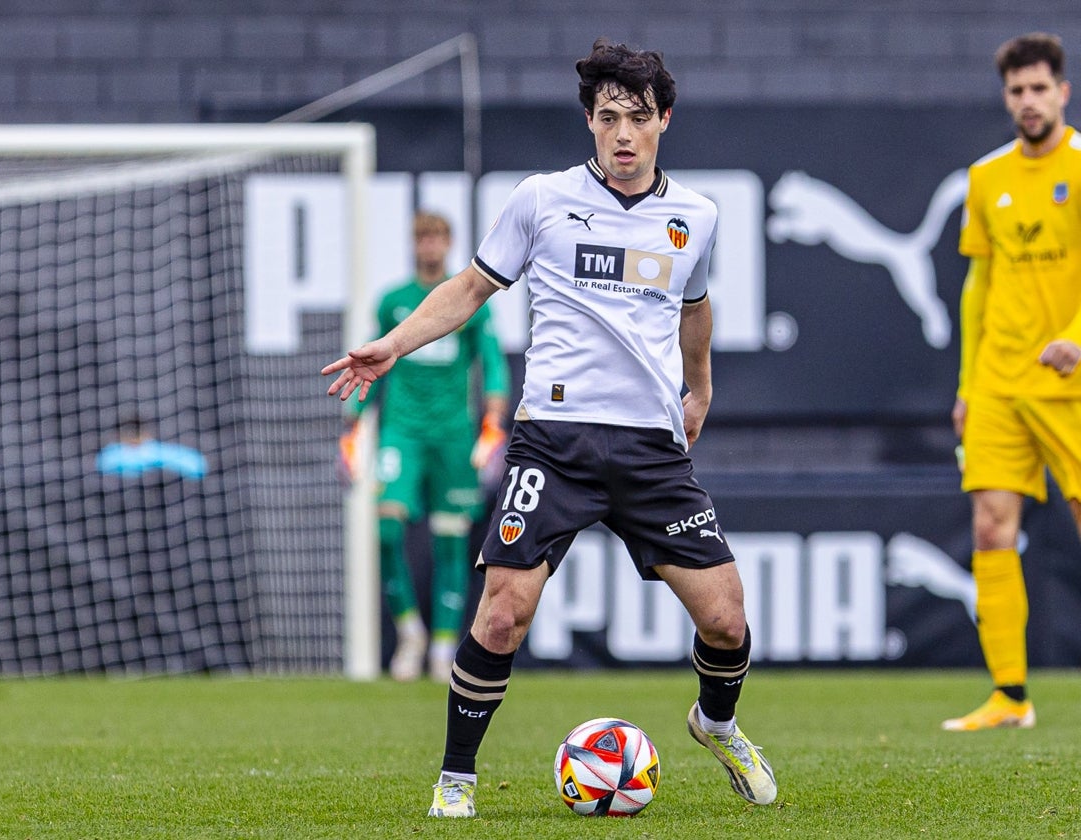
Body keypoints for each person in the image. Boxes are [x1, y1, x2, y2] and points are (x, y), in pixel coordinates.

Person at [324, 38, 777, 816]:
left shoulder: (695, 217)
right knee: (502, 614)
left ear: (664, 120)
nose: (624, 134)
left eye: (638, 117)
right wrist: (391, 348)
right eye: (609, 118)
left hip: (649, 446)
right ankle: (457, 780)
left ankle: (717, 723)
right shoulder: (541, 199)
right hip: (555, 439)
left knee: (727, 618)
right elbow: (469, 289)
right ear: (591, 123)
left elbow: (696, 310)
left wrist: (698, 392)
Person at [946, 32, 1081, 732]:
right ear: (1007, 98)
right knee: (991, 527)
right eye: (1017, 91)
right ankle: (1010, 696)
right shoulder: (986, 177)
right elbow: (979, 285)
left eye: (1039, 88)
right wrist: (968, 385)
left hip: (1073, 386)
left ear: (1062, 90)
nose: (1028, 101)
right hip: (999, 382)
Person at [339, 211, 510, 683]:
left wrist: (493, 420)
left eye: (436, 237)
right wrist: (353, 425)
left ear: (448, 242)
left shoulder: (469, 302)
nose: (429, 246)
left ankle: (440, 648)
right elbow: (371, 366)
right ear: (414, 244)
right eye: (421, 238)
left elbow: (493, 365)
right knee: (388, 527)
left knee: (451, 540)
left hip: (454, 436)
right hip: (403, 433)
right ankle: (409, 632)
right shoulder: (394, 302)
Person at [95, 414, 207, 480]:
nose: (132, 438)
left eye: (136, 432)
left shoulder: (161, 453)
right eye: (127, 433)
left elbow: (198, 466)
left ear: (146, 433)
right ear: (119, 436)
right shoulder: (109, 455)